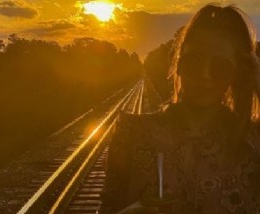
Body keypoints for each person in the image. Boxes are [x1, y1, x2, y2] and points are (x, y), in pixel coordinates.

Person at [100, 3, 260, 214]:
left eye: (220, 67)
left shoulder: (251, 141)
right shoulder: (131, 134)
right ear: (179, 62)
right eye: (193, 61)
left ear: (237, 73)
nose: (204, 74)